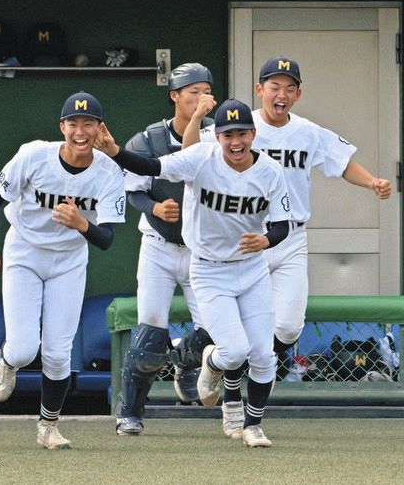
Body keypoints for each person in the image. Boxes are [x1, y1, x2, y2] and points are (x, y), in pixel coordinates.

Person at [188, 57, 391, 439]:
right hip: (245, 238)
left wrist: (372, 183)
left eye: (288, 87)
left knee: (286, 326)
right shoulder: (240, 126)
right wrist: (196, 116)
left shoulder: (308, 133)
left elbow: (342, 162)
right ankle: (233, 401)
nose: (280, 94)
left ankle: (243, 381)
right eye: (273, 85)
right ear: (259, 89)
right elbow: (193, 155)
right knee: (242, 339)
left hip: (290, 235)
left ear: (298, 94)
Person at [99, 98, 290, 448]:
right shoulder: (201, 158)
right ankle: (212, 364)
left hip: (251, 270)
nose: (236, 142)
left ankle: (253, 425)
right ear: (216, 137)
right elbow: (151, 165)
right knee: (233, 352)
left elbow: (282, 226)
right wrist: (114, 151)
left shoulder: (270, 171)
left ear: (253, 133)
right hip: (209, 270)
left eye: (243, 133)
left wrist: (265, 240)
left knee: (263, 354)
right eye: (228, 134)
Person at [0, 92, 126, 450]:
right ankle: (8, 361)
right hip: (25, 251)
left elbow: (106, 239)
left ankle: (48, 426)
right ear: (62, 127)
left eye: (88, 123)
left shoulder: (108, 172)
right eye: (73, 123)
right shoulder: (34, 154)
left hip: (69, 260)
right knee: (26, 348)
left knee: (59, 352)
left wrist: (80, 224)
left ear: (99, 128)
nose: (80, 131)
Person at [114, 63, 218, 435]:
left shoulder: (217, 137)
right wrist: (155, 207)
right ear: (175, 96)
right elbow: (134, 189)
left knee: (212, 332)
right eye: (193, 91)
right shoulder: (149, 140)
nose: (201, 98)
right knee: (148, 335)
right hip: (158, 246)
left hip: (199, 250)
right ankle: (130, 412)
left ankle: (181, 359)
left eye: (206, 91)